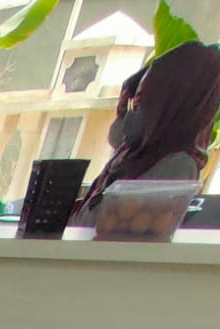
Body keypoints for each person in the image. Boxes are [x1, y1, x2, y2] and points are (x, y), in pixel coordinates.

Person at [76, 41, 220, 215]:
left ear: (167, 109)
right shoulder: (135, 157)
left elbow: (123, 223)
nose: (129, 118)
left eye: (139, 105)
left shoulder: (176, 166)